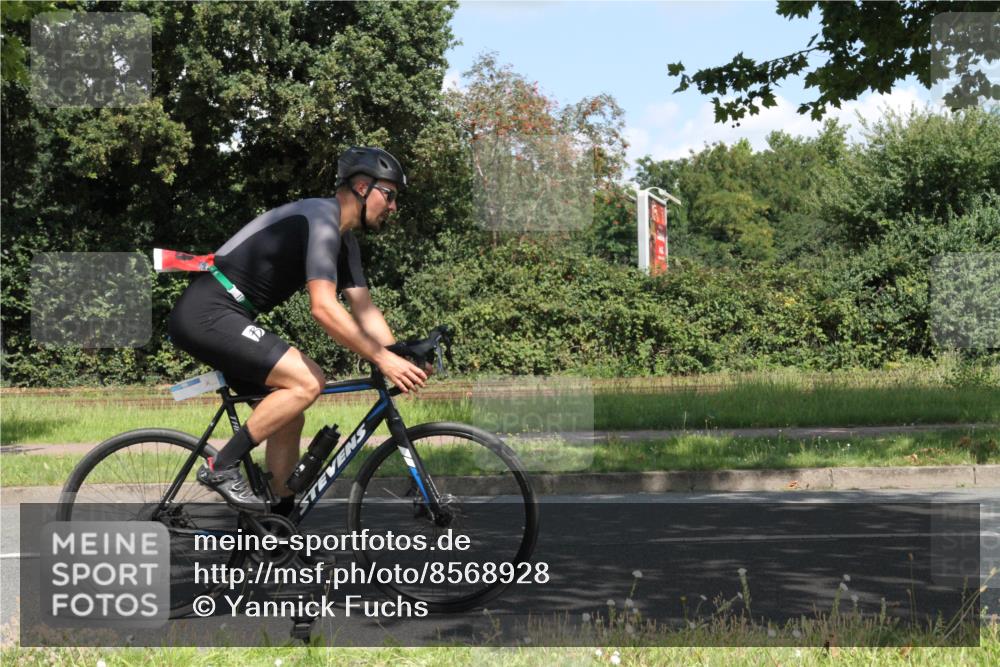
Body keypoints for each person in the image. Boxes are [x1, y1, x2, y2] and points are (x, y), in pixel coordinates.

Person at [167, 147, 427, 513]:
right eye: (391, 194)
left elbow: (364, 309)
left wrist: (402, 355)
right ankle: (221, 466)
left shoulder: (343, 239)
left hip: (228, 313)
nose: (394, 206)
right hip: (208, 310)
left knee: (290, 416)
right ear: (363, 187)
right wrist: (381, 358)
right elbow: (323, 307)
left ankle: (278, 532)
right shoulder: (321, 219)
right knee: (308, 381)